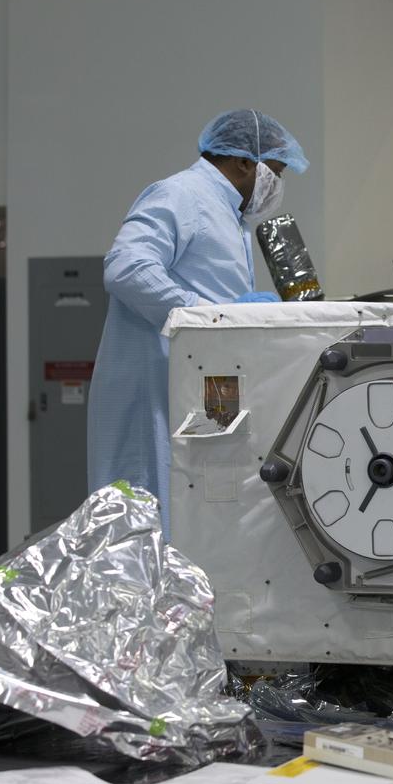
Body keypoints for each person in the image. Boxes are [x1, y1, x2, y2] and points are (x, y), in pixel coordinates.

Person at [87, 109, 308, 535]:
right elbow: (126, 268)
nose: (276, 186)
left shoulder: (232, 217)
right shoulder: (182, 195)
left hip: (205, 386)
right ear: (244, 161)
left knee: (209, 508)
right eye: (275, 172)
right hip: (158, 386)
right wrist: (204, 318)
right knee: (151, 521)